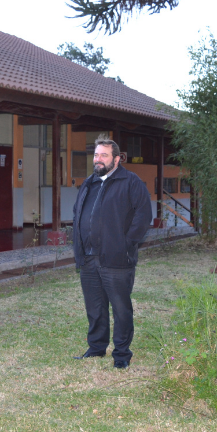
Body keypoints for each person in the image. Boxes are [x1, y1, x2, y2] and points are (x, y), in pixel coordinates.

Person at [71, 135, 152, 369]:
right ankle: (96, 348)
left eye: (104, 155)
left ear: (116, 159)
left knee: (120, 309)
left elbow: (143, 216)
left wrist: (126, 243)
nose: (98, 159)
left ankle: (122, 354)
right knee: (95, 308)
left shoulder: (131, 182)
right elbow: (78, 212)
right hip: (89, 258)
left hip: (117, 259)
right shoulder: (89, 183)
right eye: (96, 155)